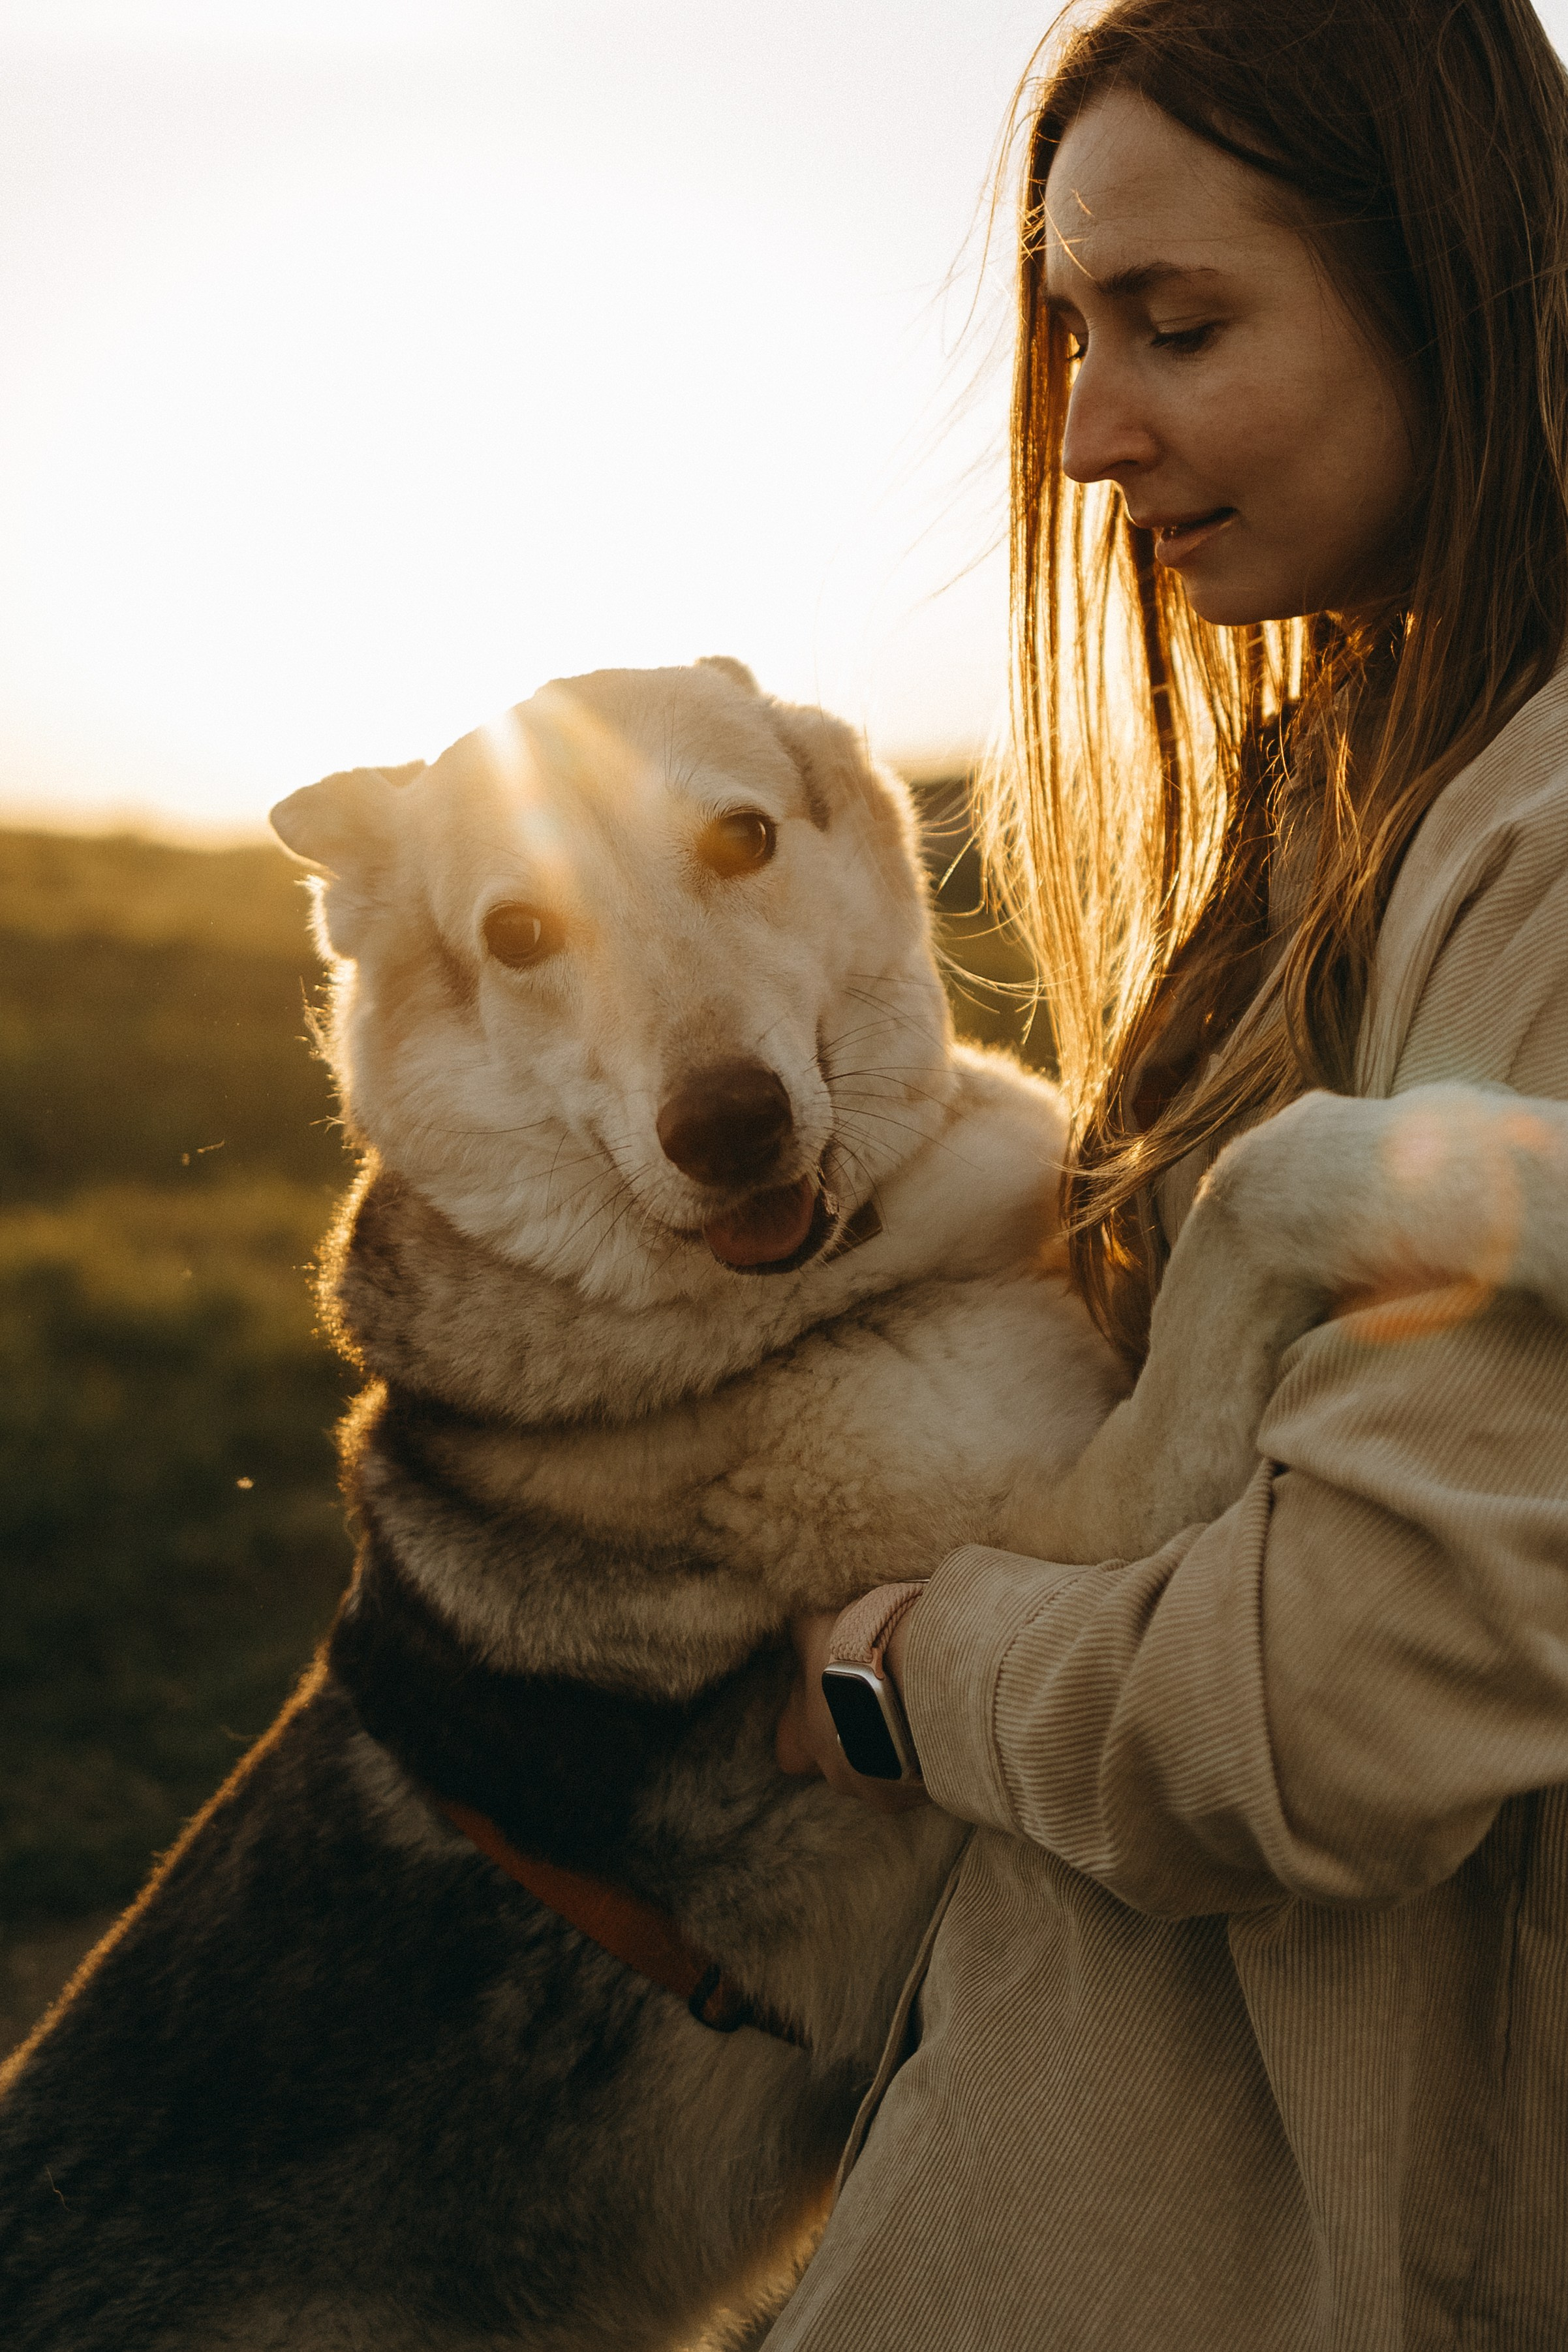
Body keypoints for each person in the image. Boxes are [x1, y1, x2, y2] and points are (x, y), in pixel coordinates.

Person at [767, 1, 1568, 2344]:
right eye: (1071, 330)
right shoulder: (1353, 766)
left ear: (1452, 287)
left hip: (1307, 2225)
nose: (1090, 428)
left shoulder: (1539, 849)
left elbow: (1328, 1709)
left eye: (1178, 324)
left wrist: (907, 1666)